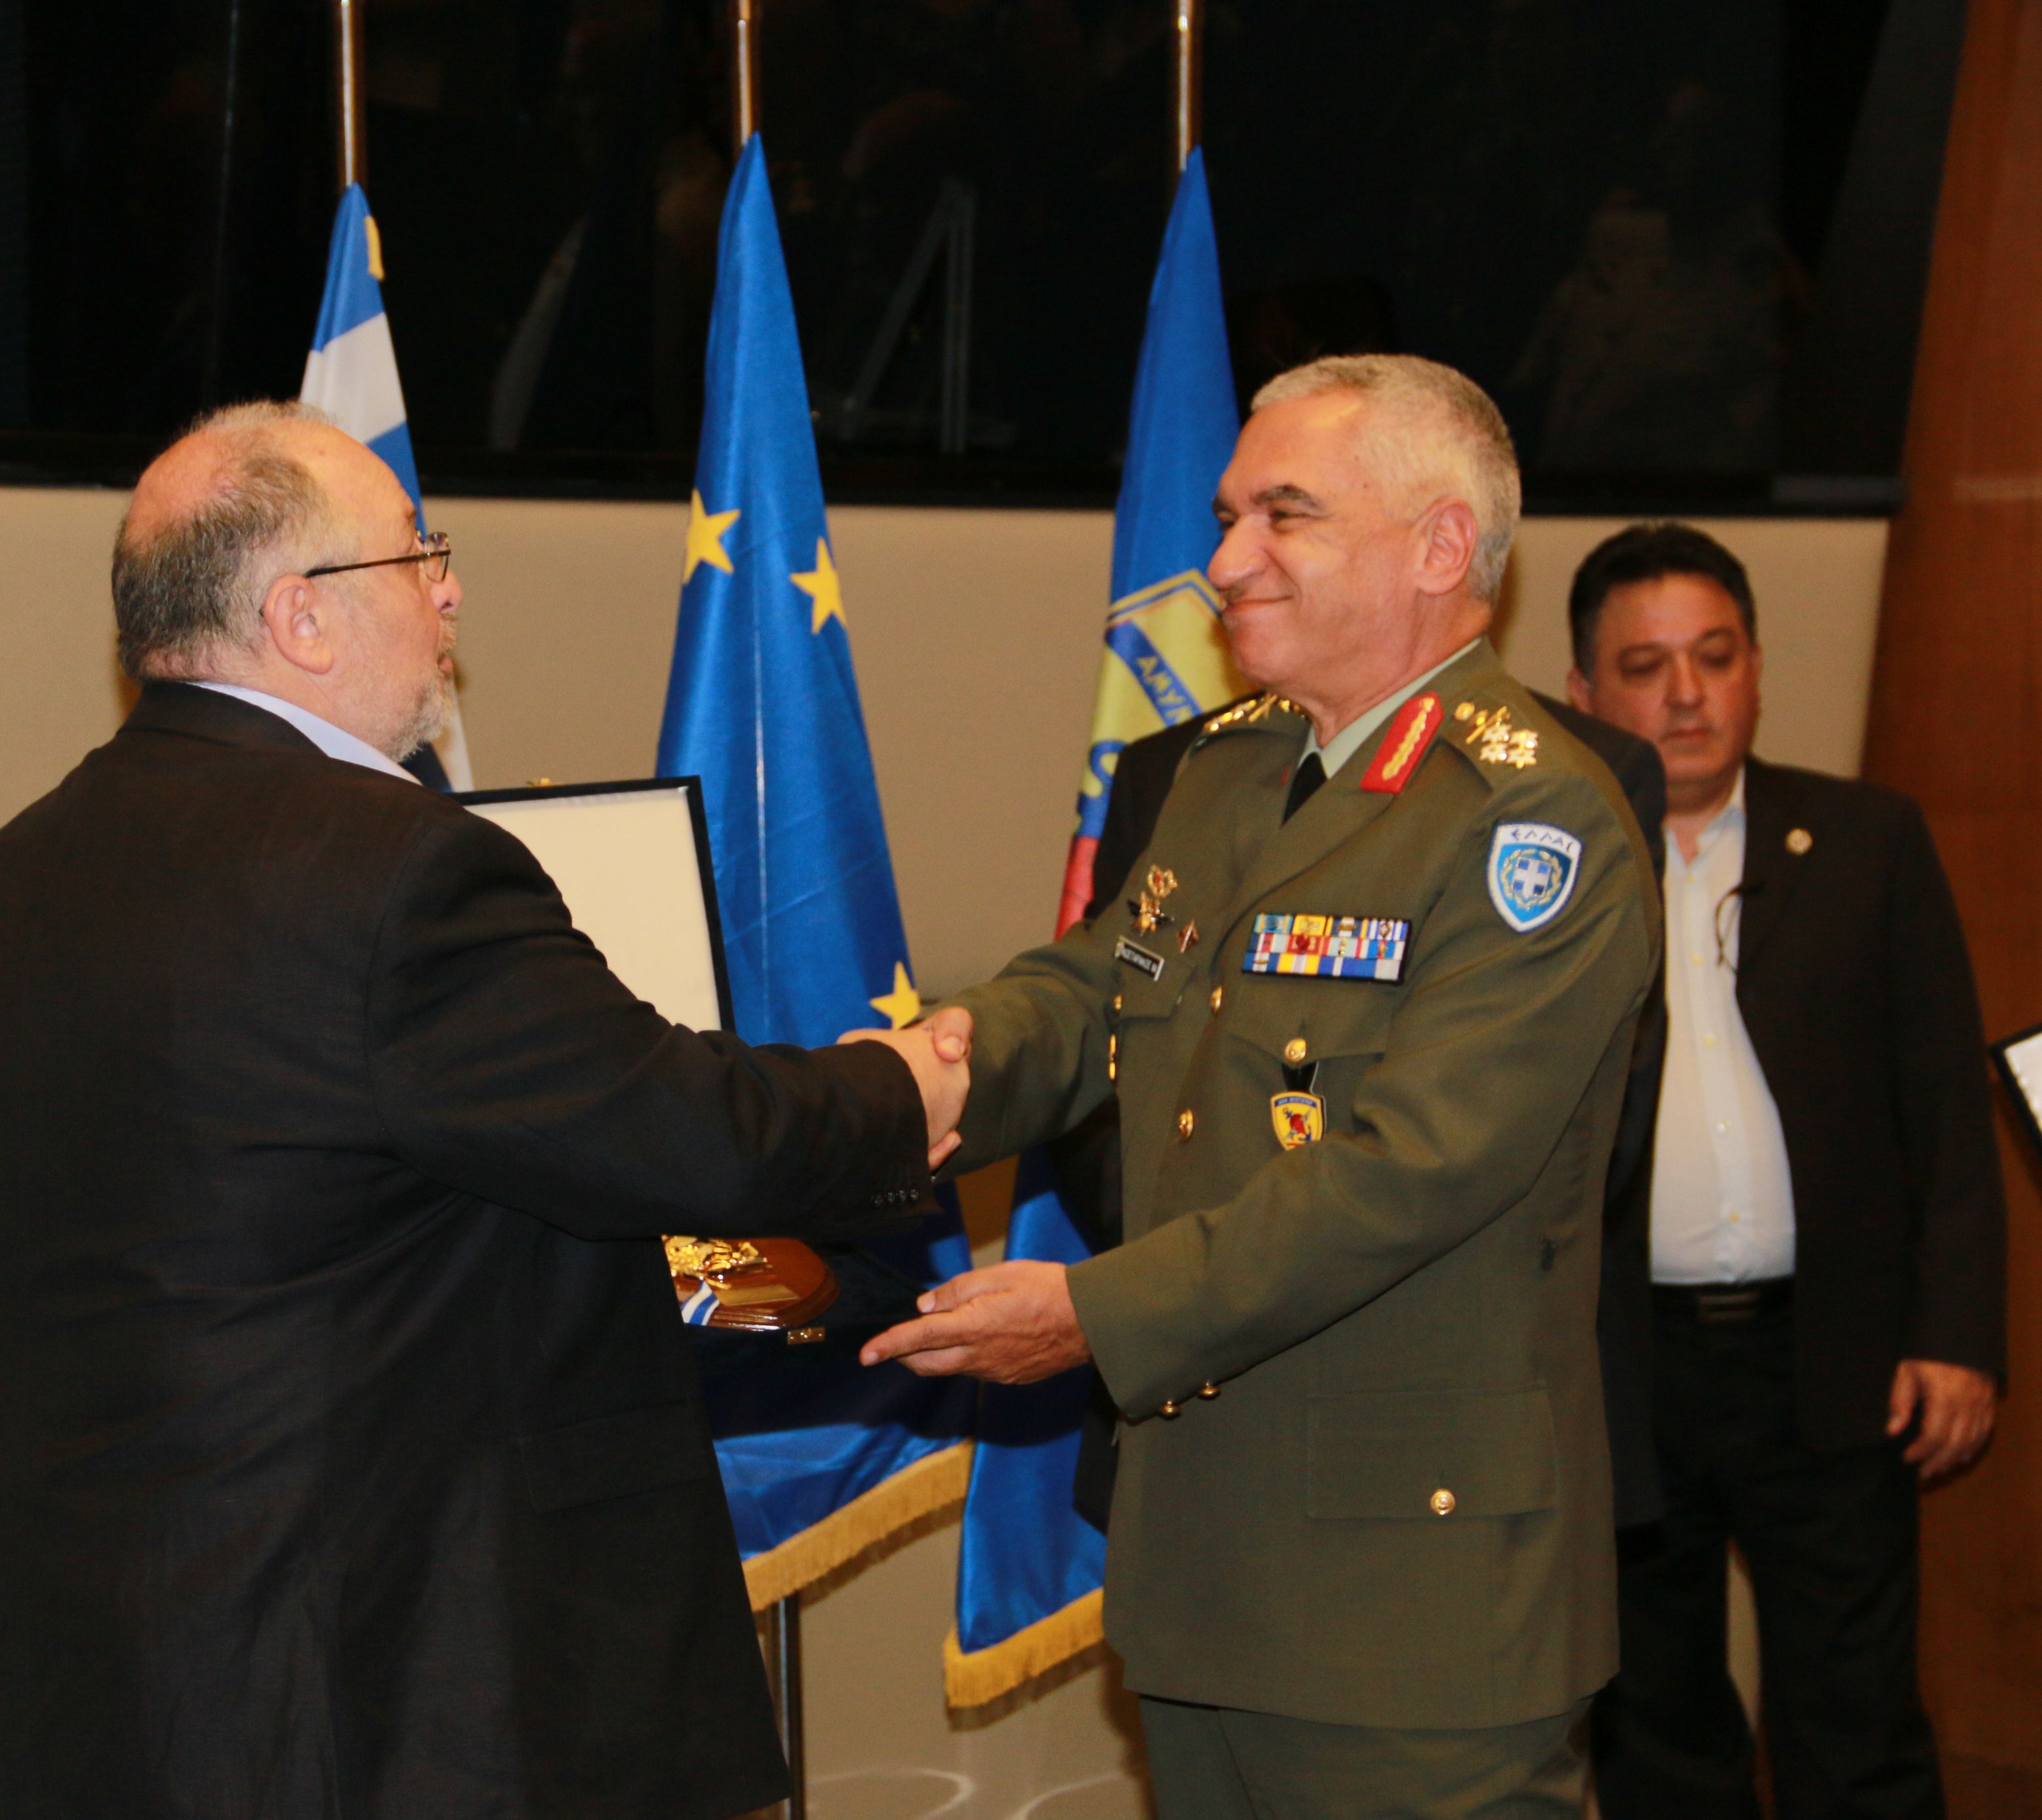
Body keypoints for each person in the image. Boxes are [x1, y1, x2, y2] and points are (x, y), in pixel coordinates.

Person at [0, 400, 970, 1820]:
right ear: (302, 617)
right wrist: (904, 1086)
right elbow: (685, 1136)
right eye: (417, 555)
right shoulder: (397, 869)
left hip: (73, 1706)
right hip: (352, 1709)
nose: (449, 591)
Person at [853, 355, 1661, 1818]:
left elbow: (1405, 1173)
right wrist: (897, 1082)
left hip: (1407, 1604)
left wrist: (1092, 1315)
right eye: (1229, 516)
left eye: (1283, 515)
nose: (1225, 561)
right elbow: (1094, 994)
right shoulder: (1234, 769)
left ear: (1439, 547)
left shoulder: (1531, 821)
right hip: (1206, 1561)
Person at [1564, 522, 2005, 1820]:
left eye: (1714, 656)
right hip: (1620, 1366)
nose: (1684, 694)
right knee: (1653, 1728)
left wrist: (1955, 1334)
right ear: (1581, 692)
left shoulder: (1868, 840)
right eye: (1644, 665)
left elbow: (1945, 1110)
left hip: (1830, 1356)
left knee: (1853, 1725)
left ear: (1756, 666)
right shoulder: (1540, 867)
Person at [1067, 687, 1672, 1536]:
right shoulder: (1199, 762)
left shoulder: (1542, 790)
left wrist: (1124, 1305)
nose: (1226, 600)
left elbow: (1468, 1154)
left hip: (1401, 1443)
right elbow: (1106, 1025)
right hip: (1177, 1413)